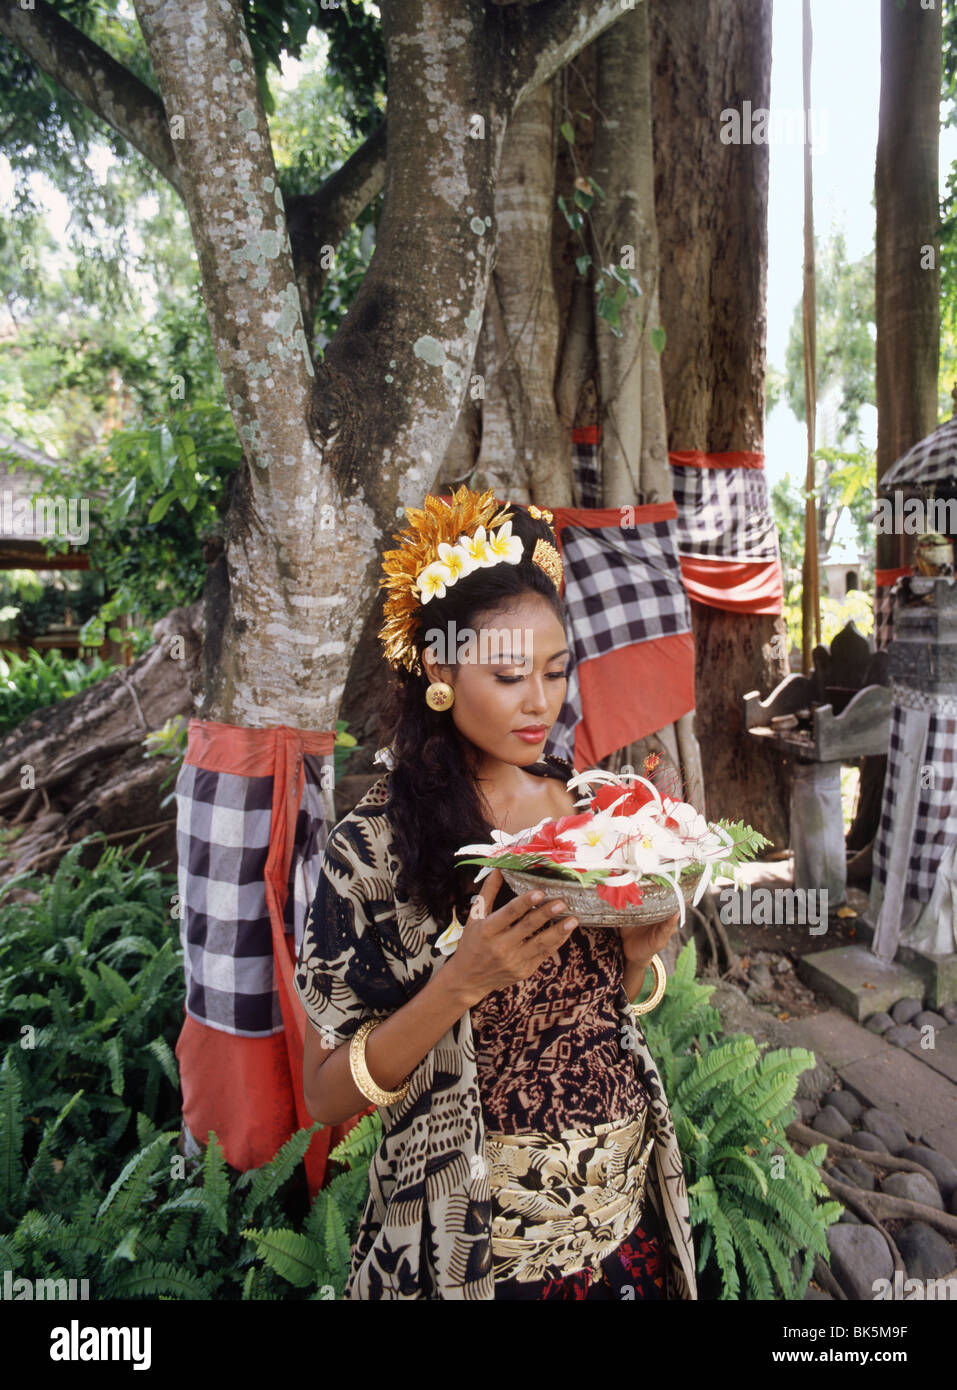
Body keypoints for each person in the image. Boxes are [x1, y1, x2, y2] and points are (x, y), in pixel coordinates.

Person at [294, 486, 698, 1299]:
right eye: (509, 674)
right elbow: (324, 1092)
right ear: (440, 669)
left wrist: (637, 954)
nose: (540, 702)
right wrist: (458, 985)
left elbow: (599, 1008)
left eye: (554, 672)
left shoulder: (591, 816)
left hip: (624, 1227)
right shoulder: (372, 850)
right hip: (469, 1249)